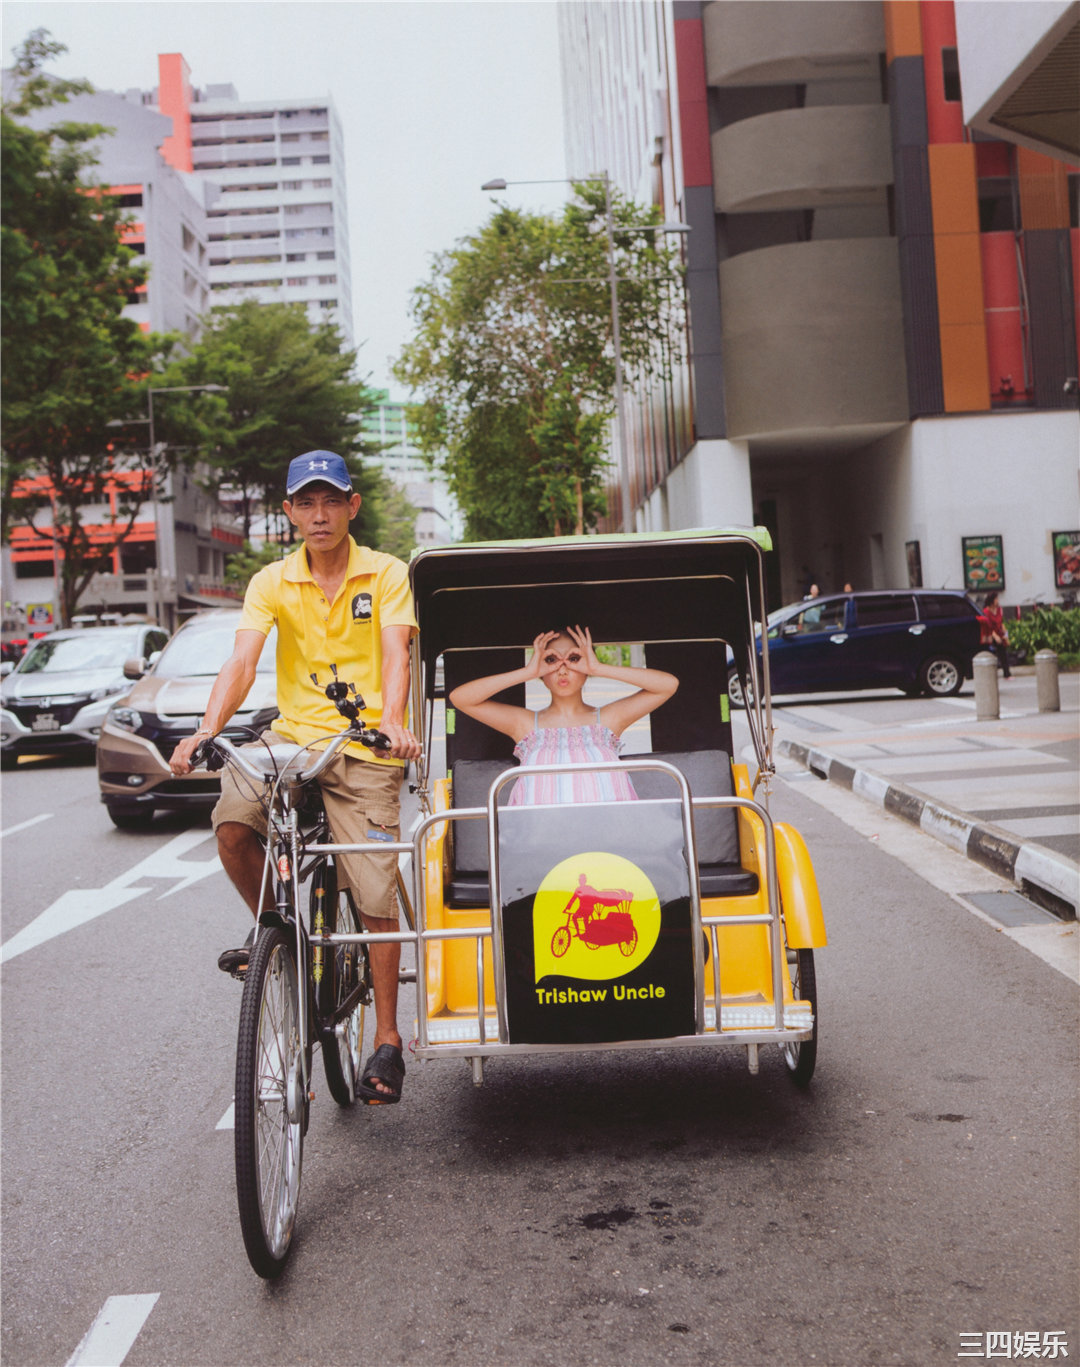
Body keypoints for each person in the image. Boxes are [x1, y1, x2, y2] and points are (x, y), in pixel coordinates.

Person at [169, 450, 421, 1104]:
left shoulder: (387, 573)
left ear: (351, 506)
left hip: (364, 742)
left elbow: (398, 653)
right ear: (288, 511)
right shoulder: (271, 581)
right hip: (292, 737)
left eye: (330, 501)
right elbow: (243, 660)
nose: (318, 514)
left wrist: (391, 719)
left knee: (373, 884)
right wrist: (205, 726)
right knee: (231, 823)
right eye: (305, 502)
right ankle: (278, 931)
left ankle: (389, 1037)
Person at [448, 625, 678, 805]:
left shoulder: (608, 720)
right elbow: (461, 698)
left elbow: (667, 685)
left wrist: (598, 668)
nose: (562, 668)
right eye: (551, 659)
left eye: (574, 658)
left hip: (608, 835)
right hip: (540, 837)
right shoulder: (525, 725)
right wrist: (528, 672)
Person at [982, 590, 1011, 677]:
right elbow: (988, 626)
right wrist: (995, 636)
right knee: (993, 654)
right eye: (996, 599)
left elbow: (1001, 623)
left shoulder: (997, 610)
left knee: (1004, 654)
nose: (998, 601)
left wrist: (1006, 636)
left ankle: (1007, 674)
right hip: (991, 636)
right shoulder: (986, 612)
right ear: (992, 600)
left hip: (999, 634)